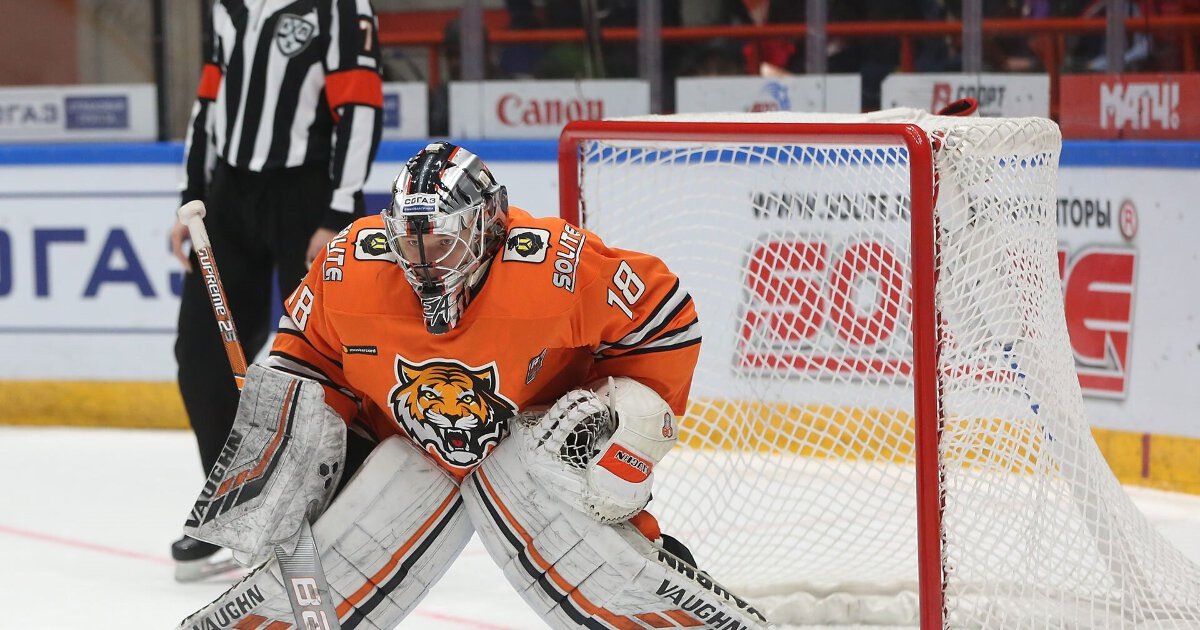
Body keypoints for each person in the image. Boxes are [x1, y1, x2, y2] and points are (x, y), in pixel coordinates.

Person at [174, 143, 771, 629]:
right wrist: (291, 442)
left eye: (440, 239)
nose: (423, 259)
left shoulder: (556, 269)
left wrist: (629, 432)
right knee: (339, 504)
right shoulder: (352, 266)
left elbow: (665, 321)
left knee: (587, 525)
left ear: (487, 225)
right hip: (402, 447)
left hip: (537, 443)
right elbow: (307, 353)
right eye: (410, 240)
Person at [169, 0, 383, 581]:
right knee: (201, 355)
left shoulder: (340, 7)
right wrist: (191, 194)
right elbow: (208, 99)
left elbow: (361, 104)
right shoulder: (227, 6)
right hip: (229, 195)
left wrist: (339, 210)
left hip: (310, 196)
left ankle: (335, 515)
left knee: (323, 366)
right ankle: (238, 510)